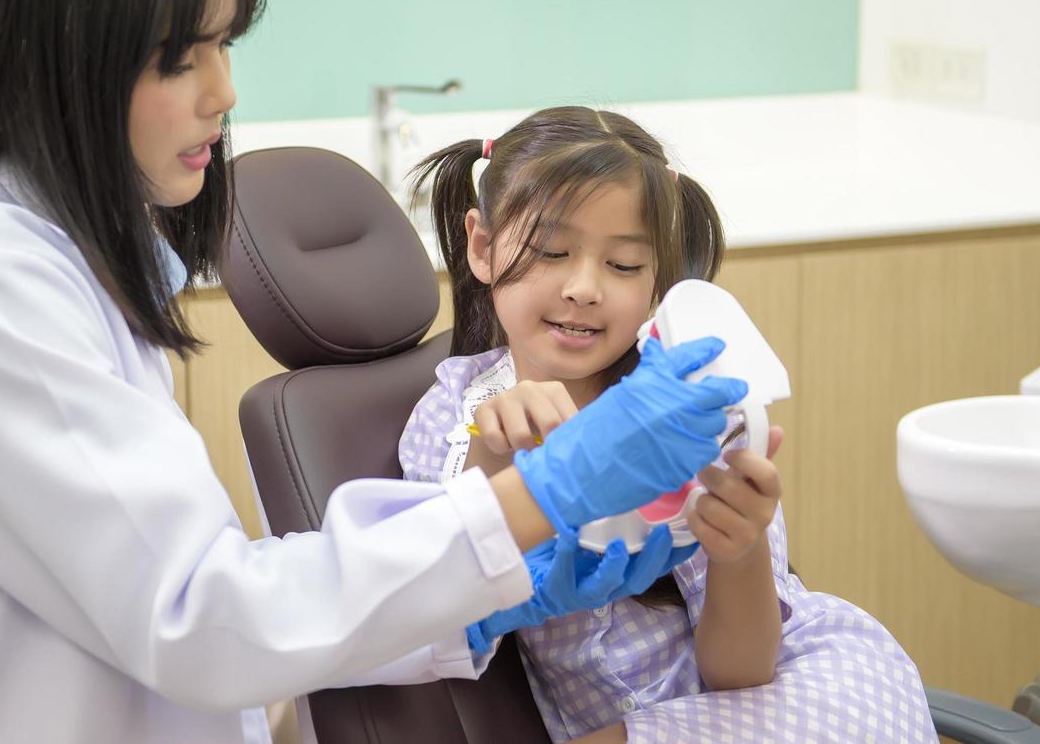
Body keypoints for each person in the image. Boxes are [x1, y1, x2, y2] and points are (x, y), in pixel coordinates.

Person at [0, 0, 745, 744]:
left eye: (224, 44)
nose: (224, 91)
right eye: (179, 56)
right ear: (56, 63)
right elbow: (200, 616)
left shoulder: (60, 268)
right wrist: (543, 494)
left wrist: (479, 581)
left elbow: (206, 595)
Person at [400, 107, 936, 743]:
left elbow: (742, 675)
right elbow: (434, 604)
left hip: (788, 694)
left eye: (624, 265)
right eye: (551, 251)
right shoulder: (454, 409)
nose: (584, 287)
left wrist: (738, 550)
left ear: (658, 279)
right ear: (484, 248)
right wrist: (494, 458)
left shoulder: (689, 406)